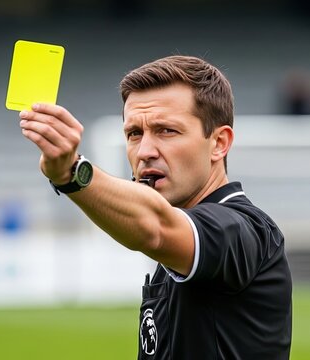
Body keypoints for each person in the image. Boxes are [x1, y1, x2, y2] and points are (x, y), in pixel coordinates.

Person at [19, 55, 292, 359]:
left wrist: (72, 173)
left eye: (167, 131)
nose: (145, 151)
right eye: (134, 133)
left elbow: (155, 229)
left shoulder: (241, 229)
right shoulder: (177, 246)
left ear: (219, 143)